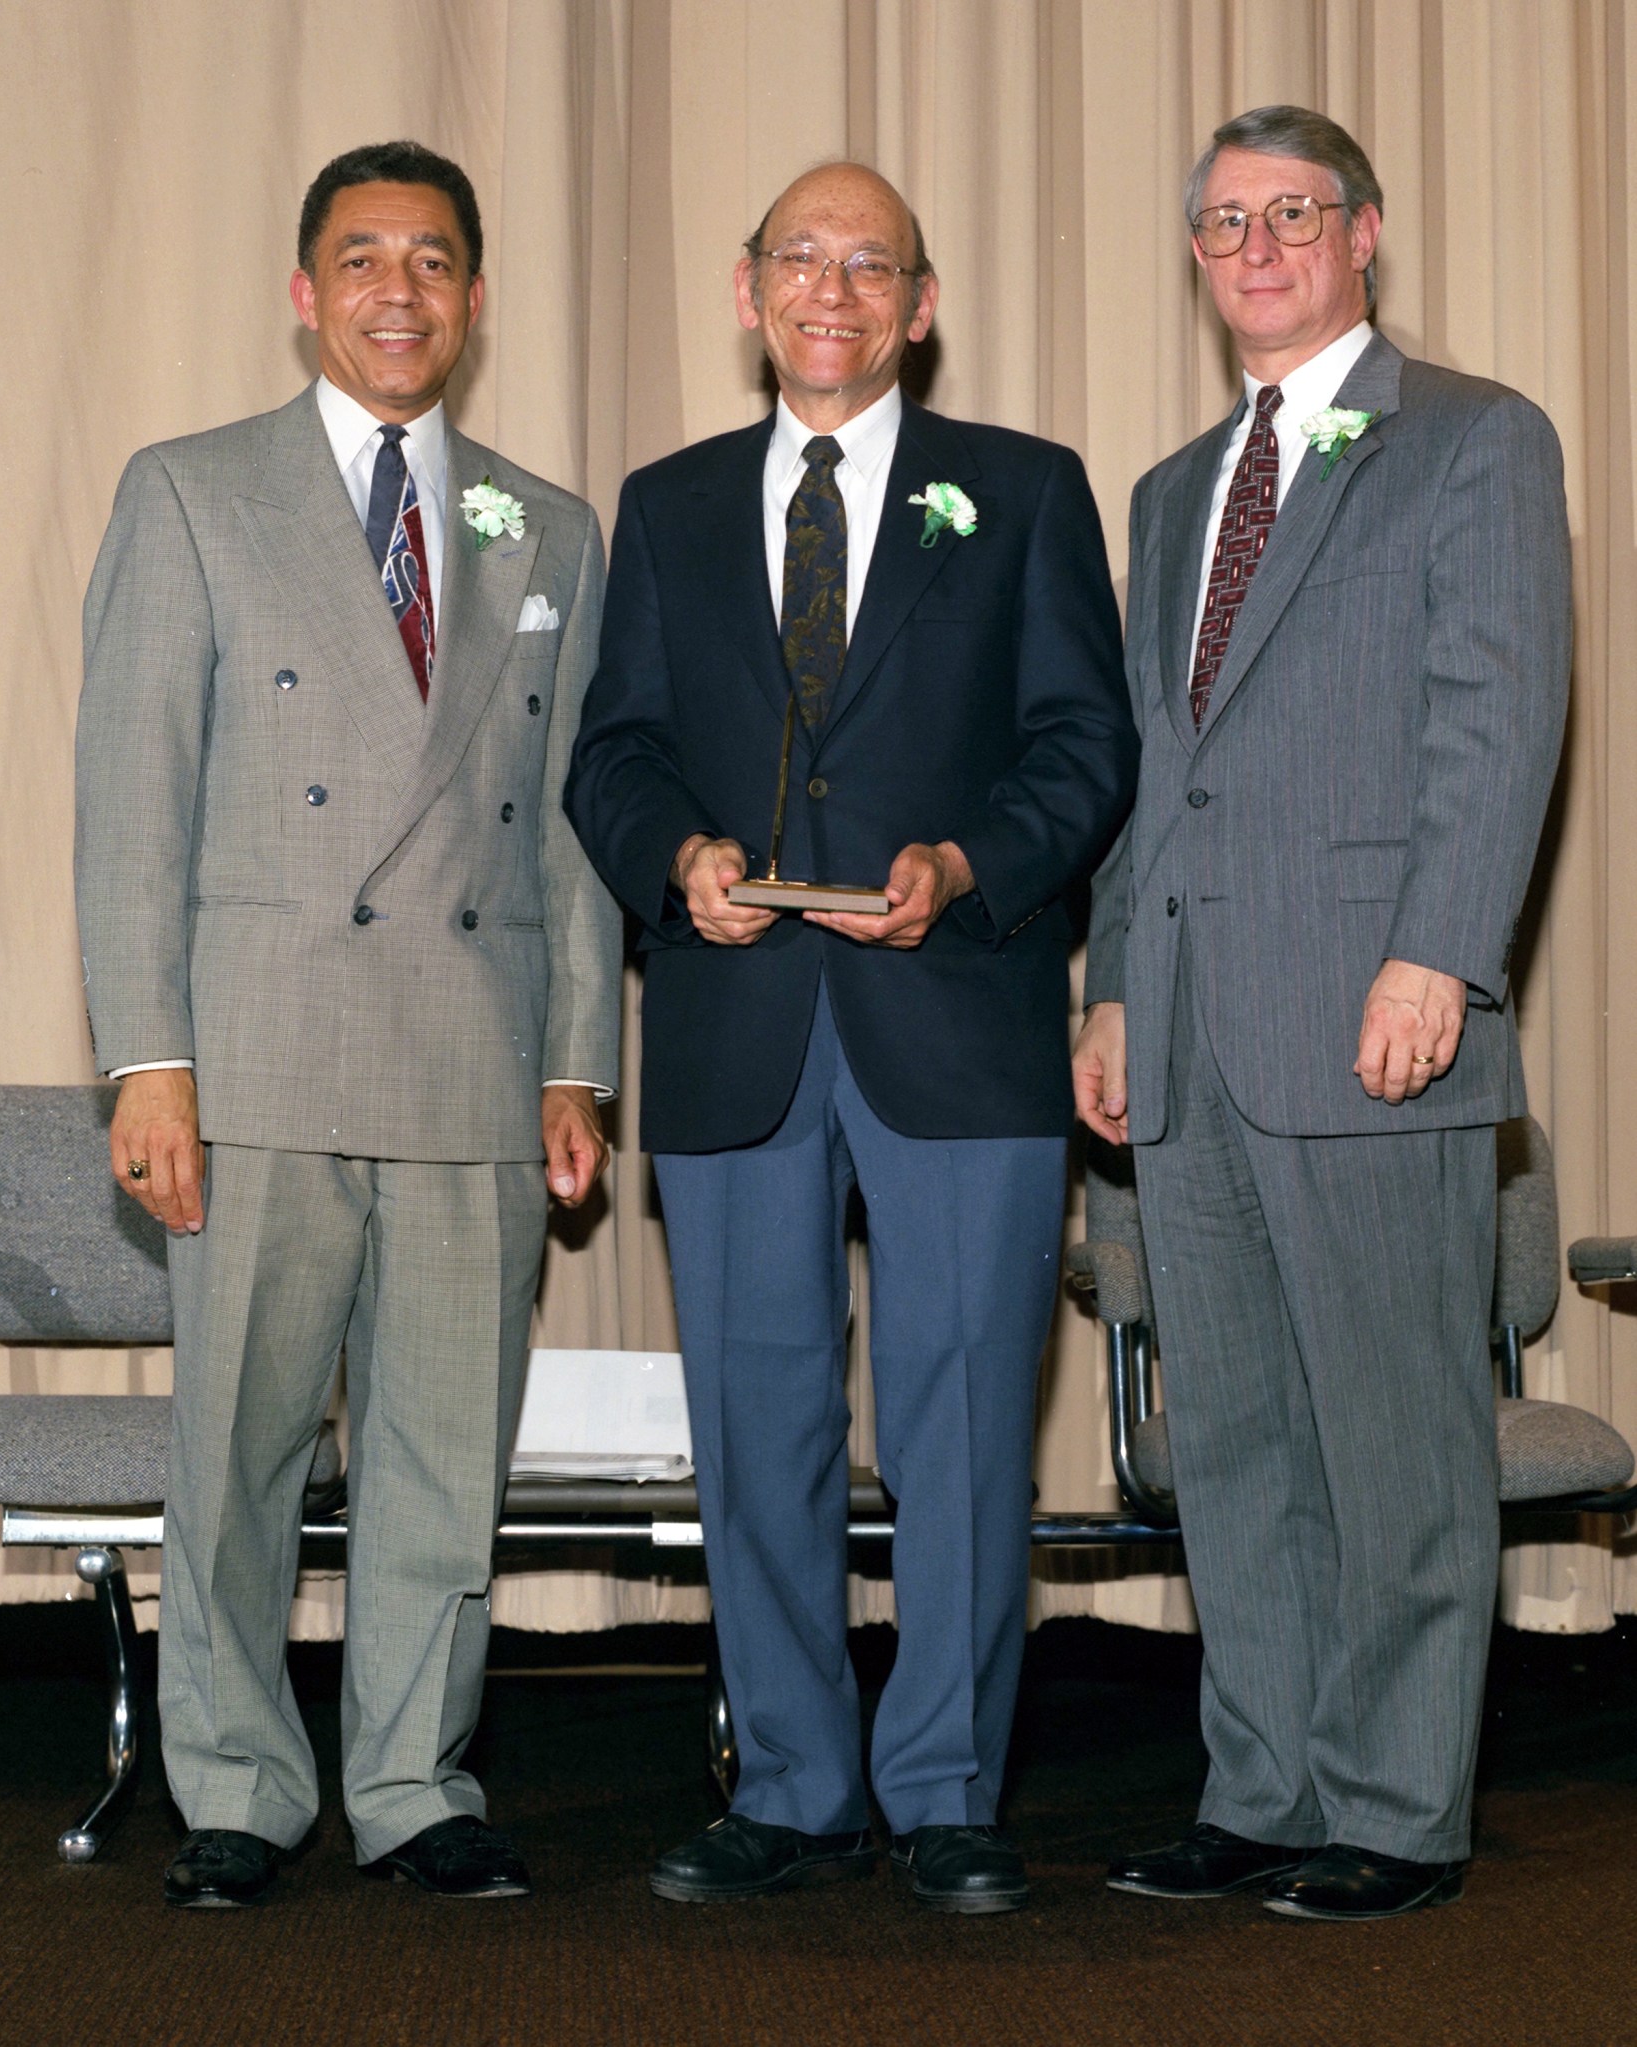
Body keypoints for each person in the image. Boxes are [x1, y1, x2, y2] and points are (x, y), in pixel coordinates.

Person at [566, 160, 1135, 1914]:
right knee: (757, 1422)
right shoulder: (659, 509)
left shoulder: (1023, 493)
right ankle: (796, 1781)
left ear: (921, 301)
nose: (833, 289)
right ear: (746, 294)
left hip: (958, 1021)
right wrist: (675, 859)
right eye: (799, 260)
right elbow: (613, 752)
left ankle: (947, 1786)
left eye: (867, 264)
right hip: (738, 1024)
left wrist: (969, 866)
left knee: (965, 1424)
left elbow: (1084, 748)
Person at [74, 140, 621, 1908]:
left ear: (471, 298)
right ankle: (232, 1782)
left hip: (472, 1055)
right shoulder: (190, 492)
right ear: (306, 293)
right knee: (234, 1446)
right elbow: (129, 805)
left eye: (436, 260)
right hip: (255, 1051)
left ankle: (412, 1779)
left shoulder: (541, 523)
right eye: (363, 259)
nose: (401, 290)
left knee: (441, 1456)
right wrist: (145, 1057)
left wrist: (572, 1057)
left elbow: (567, 820)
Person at [1075, 105, 1570, 1921]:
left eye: (1293, 213)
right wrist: (1115, 990)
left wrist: (1438, 952)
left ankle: (1391, 1810)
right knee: (1238, 1450)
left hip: (1378, 1014)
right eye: (1224, 223)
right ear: (1197, 259)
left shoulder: (1470, 438)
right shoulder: (1169, 490)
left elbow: (1495, 716)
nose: (1258, 245)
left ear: (1363, 233)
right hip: (1193, 1035)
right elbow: (1153, 775)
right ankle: (1262, 1790)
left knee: (1394, 1446)